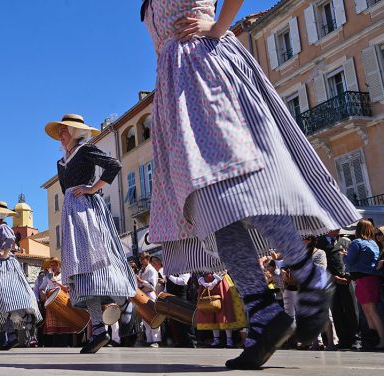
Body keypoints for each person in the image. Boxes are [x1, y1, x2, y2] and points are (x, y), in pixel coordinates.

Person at [140, 0, 360, 368]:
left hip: (206, 70)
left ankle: (308, 273)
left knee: (241, 185)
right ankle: (263, 313)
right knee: (211, 210)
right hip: (175, 86)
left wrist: (217, 27)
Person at [44, 114, 137, 354]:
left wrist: (91, 188)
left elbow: (114, 165)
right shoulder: (61, 162)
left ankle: (123, 304)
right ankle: (98, 329)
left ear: (75, 132)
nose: (61, 135)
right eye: (61, 131)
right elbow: (66, 190)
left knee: (98, 261)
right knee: (83, 273)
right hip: (71, 213)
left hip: (87, 210)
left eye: (65, 131)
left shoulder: (86, 150)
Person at [0, 201, 42, 351]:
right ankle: (12, 336)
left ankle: (27, 321)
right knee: (2, 300)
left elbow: (11, 240)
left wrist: (4, 253)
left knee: (6, 298)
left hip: (5, 266)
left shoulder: (3, 227)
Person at [344, 219, 384, 349]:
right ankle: (375, 339)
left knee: (370, 311)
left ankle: (381, 339)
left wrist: (344, 255)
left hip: (362, 279)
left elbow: (349, 261)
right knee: (370, 311)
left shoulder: (357, 243)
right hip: (371, 278)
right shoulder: (373, 243)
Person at [195, 273, 246, 349]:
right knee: (210, 309)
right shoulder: (199, 261)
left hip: (221, 282)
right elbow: (198, 272)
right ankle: (216, 339)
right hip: (206, 282)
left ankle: (229, 339)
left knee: (225, 311)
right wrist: (203, 282)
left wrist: (214, 282)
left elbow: (223, 270)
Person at [38, 257, 73, 347]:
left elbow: (67, 288)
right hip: (51, 301)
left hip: (62, 300)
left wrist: (57, 283)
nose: (53, 267)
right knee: (54, 325)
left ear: (58, 266)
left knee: (63, 321)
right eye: (51, 265)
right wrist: (43, 295)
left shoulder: (64, 275)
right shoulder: (47, 277)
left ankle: (64, 345)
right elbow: (41, 288)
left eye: (54, 265)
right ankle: (55, 346)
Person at [137, 252, 162, 347]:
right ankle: (149, 339)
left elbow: (152, 285)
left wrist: (141, 281)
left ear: (147, 259)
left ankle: (156, 340)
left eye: (142, 259)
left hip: (150, 295)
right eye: (140, 259)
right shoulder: (141, 270)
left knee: (153, 317)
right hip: (142, 295)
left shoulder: (151, 270)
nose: (141, 261)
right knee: (145, 318)